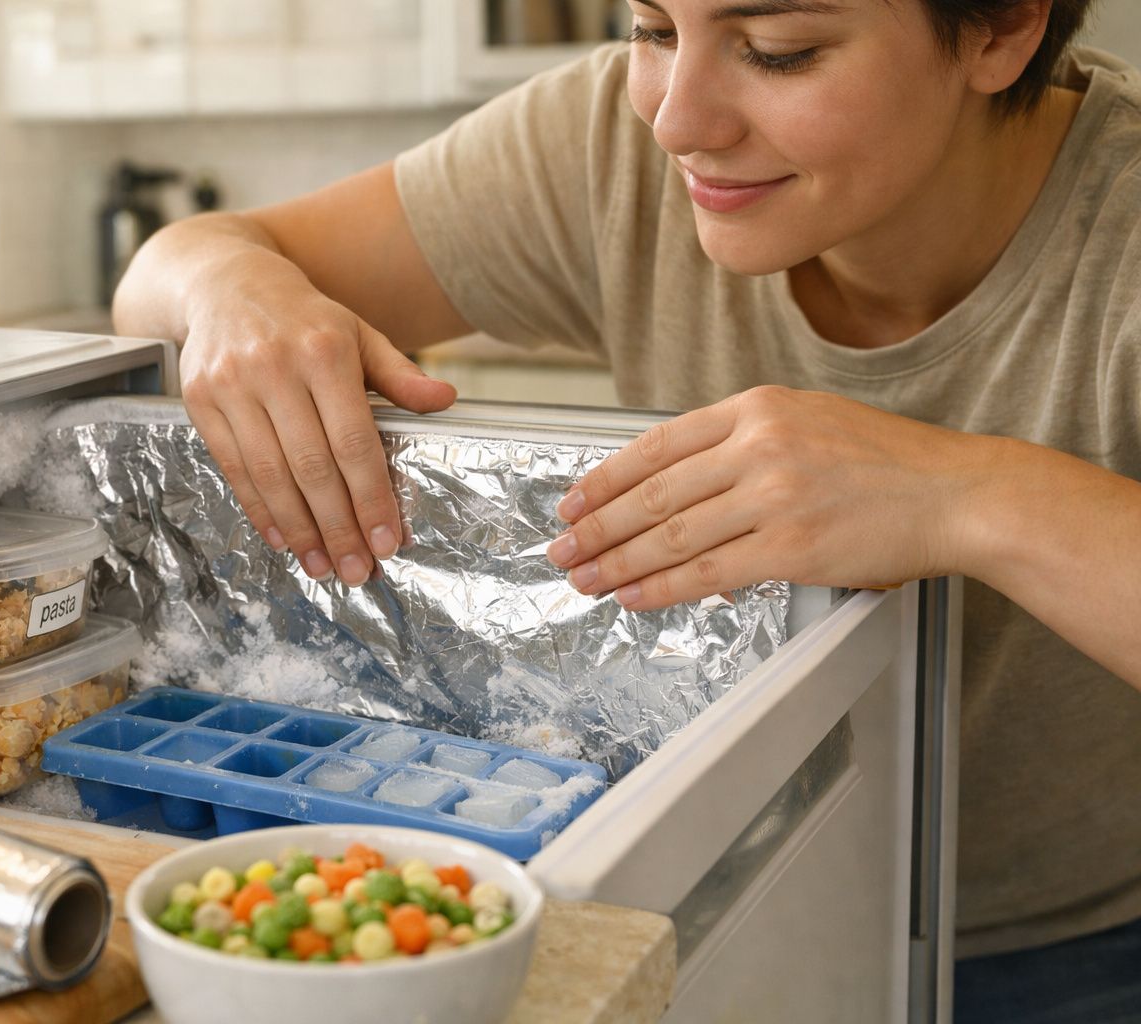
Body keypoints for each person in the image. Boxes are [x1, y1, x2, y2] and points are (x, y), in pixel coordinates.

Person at [113, 0, 1141, 1017]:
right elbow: (171, 271)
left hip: (1081, 947)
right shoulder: (606, 144)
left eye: (779, 51)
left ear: (1003, 30)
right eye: (651, 29)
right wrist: (230, 289)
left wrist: (964, 494)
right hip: (732, 891)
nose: (677, 120)